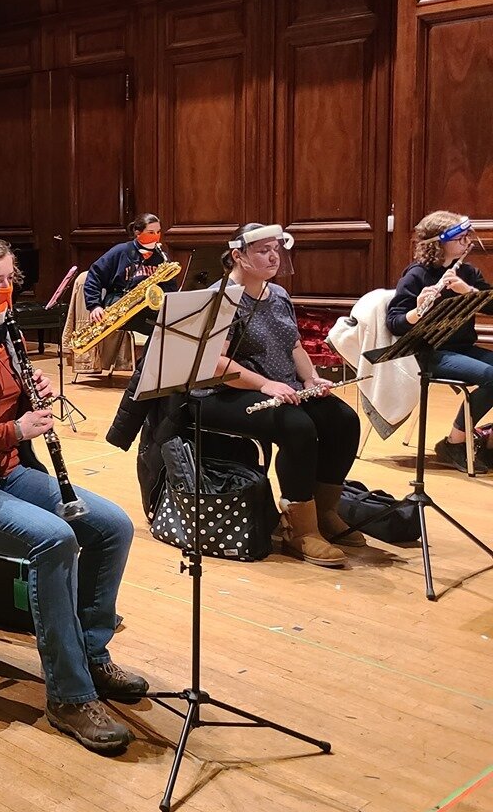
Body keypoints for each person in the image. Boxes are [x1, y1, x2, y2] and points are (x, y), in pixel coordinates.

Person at [0, 236, 143, 755]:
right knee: (55, 539)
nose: (6, 290)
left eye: (10, 279)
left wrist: (29, 390)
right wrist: (19, 429)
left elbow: (7, 408)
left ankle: (90, 652)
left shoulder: (3, 334)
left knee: (113, 526)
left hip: (9, 472)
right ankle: (69, 694)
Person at [197, 224, 362, 568]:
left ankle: (324, 511)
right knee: (297, 427)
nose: (273, 256)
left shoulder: (279, 294)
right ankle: (299, 530)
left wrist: (312, 378)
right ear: (238, 255)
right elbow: (215, 364)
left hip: (280, 387)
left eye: (276, 248)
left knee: (343, 420)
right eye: (262, 250)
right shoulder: (223, 297)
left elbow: (294, 346)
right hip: (222, 393)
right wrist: (264, 384)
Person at [387, 211, 493, 471]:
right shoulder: (416, 276)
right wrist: (418, 309)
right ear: (439, 243)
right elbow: (395, 322)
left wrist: (468, 292)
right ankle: (454, 444)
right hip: (431, 351)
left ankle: (487, 442)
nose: (468, 241)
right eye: (461, 237)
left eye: (468, 235)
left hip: (463, 348)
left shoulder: (467, 272)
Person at [85, 213, 169, 332]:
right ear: (137, 233)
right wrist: (94, 306)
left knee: (165, 328)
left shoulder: (161, 256)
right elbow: (94, 275)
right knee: (157, 328)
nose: (156, 237)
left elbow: (170, 287)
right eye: (151, 232)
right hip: (119, 305)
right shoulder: (120, 251)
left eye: (158, 232)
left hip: (147, 308)